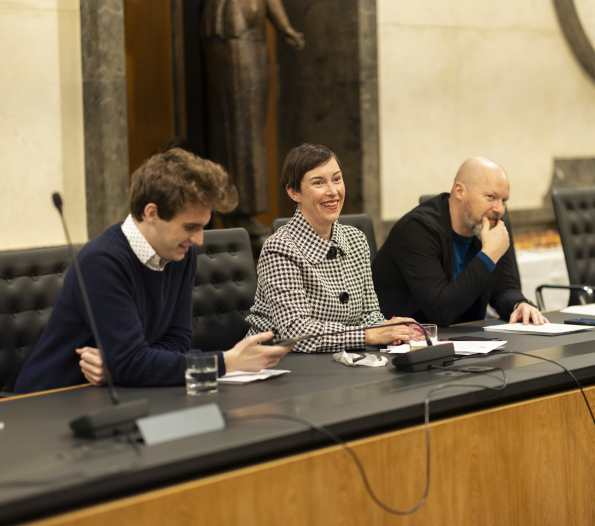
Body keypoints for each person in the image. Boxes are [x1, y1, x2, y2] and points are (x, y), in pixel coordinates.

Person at [14, 148, 291, 394]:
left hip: (122, 393)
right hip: (54, 401)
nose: (199, 240)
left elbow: (178, 341)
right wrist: (227, 362)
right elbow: (133, 361)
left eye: (202, 227)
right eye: (190, 227)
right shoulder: (102, 261)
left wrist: (122, 366)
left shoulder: (182, 253)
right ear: (151, 213)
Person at [246, 143, 411, 352]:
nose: (333, 191)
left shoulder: (356, 239)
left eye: (337, 179)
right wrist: (371, 335)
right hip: (277, 363)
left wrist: (392, 331)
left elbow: (369, 315)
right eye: (318, 183)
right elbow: (297, 334)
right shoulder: (279, 248)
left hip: (340, 358)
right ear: (294, 192)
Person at [371, 157, 547, 327]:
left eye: (504, 200)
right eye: (490, 197)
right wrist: (488, 256)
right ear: (459, 191)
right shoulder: (417, 229)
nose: (499, 209)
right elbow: (440, 311)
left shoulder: (488, 225)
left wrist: (519, 304)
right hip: (405, 343)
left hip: (465, 340)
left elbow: (504, 289)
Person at [200, 0, 305, 246]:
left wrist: (284, 27)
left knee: (250, 125)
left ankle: (243, 209)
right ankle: (235, 209)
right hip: (230, 29)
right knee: (237, 123)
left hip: (250, 31)